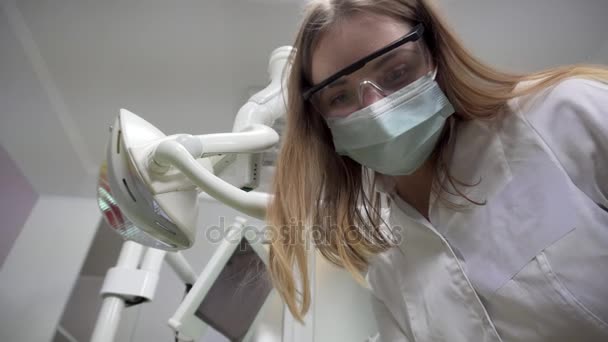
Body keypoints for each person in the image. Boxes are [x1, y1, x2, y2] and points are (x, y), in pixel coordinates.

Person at [266, 0, 608, 341]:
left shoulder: (568, 116)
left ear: (433, 54)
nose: (377, 109)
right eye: (340, 97)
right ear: (322, 120)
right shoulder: (386, 260)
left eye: (397, 73)